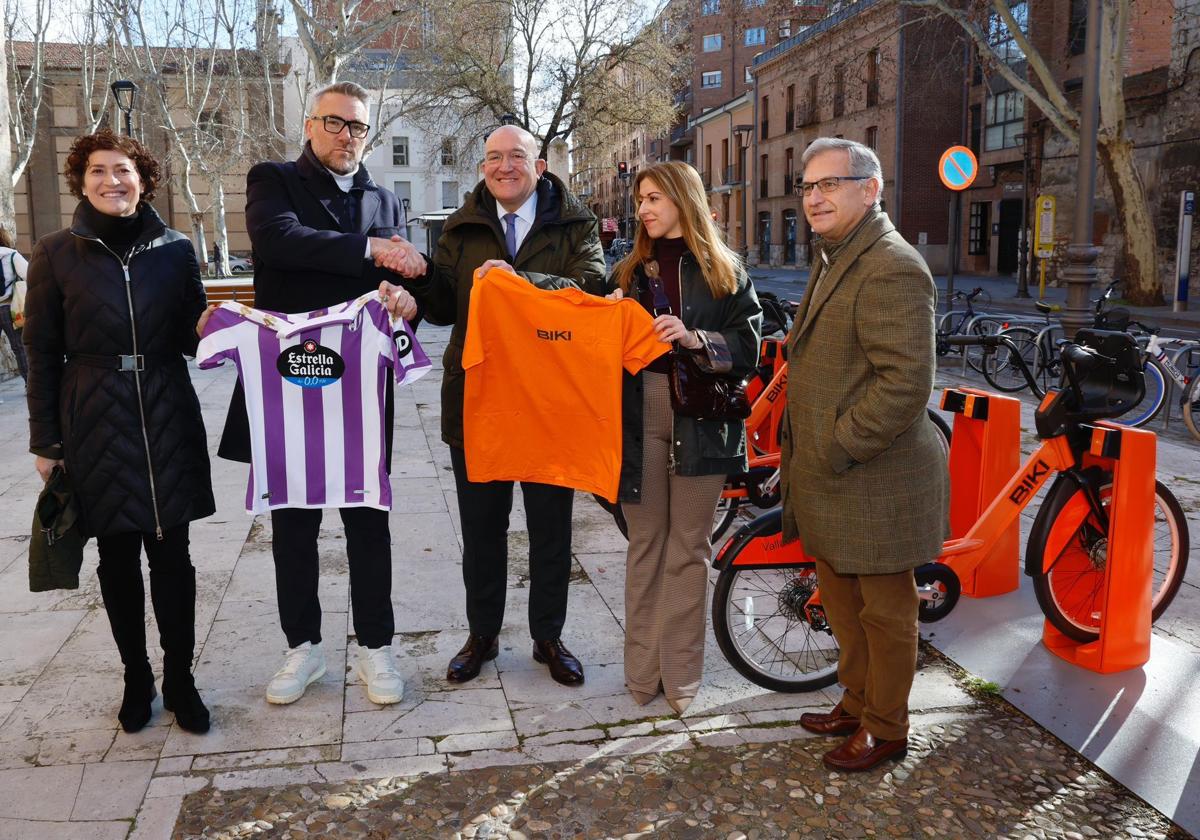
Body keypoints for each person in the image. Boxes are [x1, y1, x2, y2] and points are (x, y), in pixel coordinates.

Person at [380, 125, 605, 686]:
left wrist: (520, 281)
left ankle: (548, 637)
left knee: (551, 529)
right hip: (478, 401)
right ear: (483, 166)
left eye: (516, 157)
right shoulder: (462, 225)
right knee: (483, 531)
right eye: (493, 158)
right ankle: (482, 635)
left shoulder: (576, 224)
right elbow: (442, 308)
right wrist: (417, 282)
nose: (504, 167)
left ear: (541, 163)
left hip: (549, 400)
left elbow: (592, 291)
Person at [220, 80, 421, 707]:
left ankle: (376, 648)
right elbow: (279, 241)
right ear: (311, 125)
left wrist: (405, 300)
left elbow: (402, 284)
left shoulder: (382, 197)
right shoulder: (273, 179)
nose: (347, 136)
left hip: (359, 387)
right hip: (289, 383)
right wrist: (370, 251)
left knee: (368, 522)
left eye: (358, 127)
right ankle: (302, 647)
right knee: (293, 524)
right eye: (335, 123)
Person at [23, 129, 216, 734]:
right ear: (82, 182)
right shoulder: (54, 253)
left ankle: (181, 679)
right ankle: (138, 677)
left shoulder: (176, 248)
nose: (113, 180)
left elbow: (190, 332)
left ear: (143, 178)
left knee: (174, 556)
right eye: (99, 171)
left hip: (166, 409)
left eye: (124, 169)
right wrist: (46, 440)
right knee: (117, 557)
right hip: (94, 415)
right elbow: (41, 348)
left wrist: (216, 324)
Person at [781, 137, 949, 771]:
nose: (815, 196)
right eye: (808, 186)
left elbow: (906, 382)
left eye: (831, 184)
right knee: (843, 604)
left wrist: (836, 444)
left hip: (877, 475)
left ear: (871, 190)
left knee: (884, 612)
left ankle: (887, 727)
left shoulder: (892, 264)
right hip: (832, 475)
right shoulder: (835, 253)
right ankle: (855, 702)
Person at [608, 162, 761, 714]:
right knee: (646, 544)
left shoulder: (724, 270)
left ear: (682, 198)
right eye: (640, 199)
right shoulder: (626, 273)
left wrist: (697, 339)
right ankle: (641, 673)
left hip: (703, 422)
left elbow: (749, 349)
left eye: (653, 197)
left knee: (688, 549)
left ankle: (681, 675)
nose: (643, 208)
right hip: (640, 414)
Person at [0, 228, 29, 382]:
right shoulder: (12, 255)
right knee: (19, 347)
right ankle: (29, 383)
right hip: (8, 308)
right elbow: (29, 275)